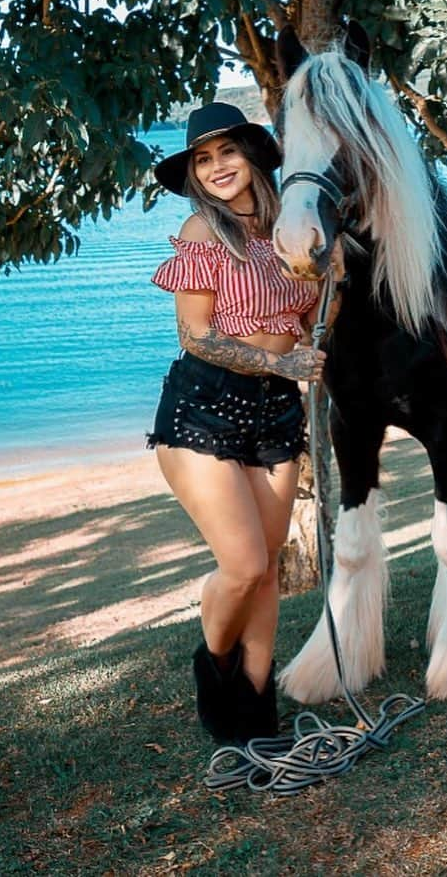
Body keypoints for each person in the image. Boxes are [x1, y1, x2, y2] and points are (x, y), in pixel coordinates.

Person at [148, 102, 324, 745]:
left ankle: (256, 707)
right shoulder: (203, 233)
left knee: (270, 567)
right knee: (245, 564)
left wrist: (312, 354)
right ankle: (214, 668)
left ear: (253, 156)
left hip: (276, 415)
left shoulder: (294, 236)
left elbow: (306, 325)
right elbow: (196, 337)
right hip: (203, 409)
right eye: (203, 158)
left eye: (227, 152)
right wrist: (285, 361)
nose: (217, 167)